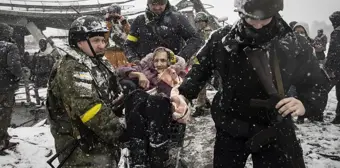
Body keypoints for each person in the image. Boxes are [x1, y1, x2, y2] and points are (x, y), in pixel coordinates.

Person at [171, 0, 328, 167]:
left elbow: (315, 82)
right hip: (230, 122)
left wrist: (305, 103)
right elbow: (198, 70)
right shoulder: (221, 39)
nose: (258, 25)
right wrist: (183, 94)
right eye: (252, 18)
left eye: (265, 18)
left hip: (275, 124)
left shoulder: (294, 43)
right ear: (240, 13)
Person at [46, 16, 124, 167]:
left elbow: (112, 90)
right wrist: (120, 132)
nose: (102, 45)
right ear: (79, 42)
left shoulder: (97, 60)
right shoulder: (73, 67)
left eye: (103, 40)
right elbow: (89, 108)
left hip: (99, 141)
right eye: (96, 40)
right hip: (81, 148)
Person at [118, 47, 188, 167]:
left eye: (163, 60)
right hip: (143, 111)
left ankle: (157, 153)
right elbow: (120, 70)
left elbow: (179, 95)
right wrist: (139, 74)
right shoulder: (146, 69)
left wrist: (164, 80)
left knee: (157, 100)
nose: (159, 64)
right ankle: (138, 154)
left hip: (163, 110)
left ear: (169, 62)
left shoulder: (177, 74)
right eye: (156, 61)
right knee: (136, 95)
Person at [124, 0, 203, 63]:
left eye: (161, 4)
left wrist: (182, 57)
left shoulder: (178, 19)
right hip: (146, 70)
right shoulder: (139, 20)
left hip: (172, 69)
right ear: (148, 4)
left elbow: (195, 39)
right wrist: (134, 60)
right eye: (154, 4)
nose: (157, 7)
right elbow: (129, 45)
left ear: (166, 3)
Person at [0, 23, 22, 155]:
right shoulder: (9, 47)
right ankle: (2, 143)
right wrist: (19, 75)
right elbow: (14, 66)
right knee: (4, 114)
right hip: (5, 86)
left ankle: (4, 139)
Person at [324, 11, 340, 124]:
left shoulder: (336, 33)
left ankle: (315, 111)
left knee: (323, 89)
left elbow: (332, 52)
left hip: (336, 68)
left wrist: (328, 67)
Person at [104, 4, 130, 68]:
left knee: (124, 72)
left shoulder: (124, 22)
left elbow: (131, 34)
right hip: (109, 53)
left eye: (116, 12)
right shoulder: (104, 24)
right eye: (111, 12)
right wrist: (107, 21)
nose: (114, 14)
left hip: (123, 53)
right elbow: (104, 38)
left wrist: (123, 21)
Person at [31, 38, 55, 105]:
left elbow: (53, 64)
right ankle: (38, 103)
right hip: (38, 75)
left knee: (46, 90)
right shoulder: (36, 54)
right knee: (36, 89)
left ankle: (46, 104)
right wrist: (33, 72)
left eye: (43, 43)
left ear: (45, 44)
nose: (41, 45)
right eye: (40, 44)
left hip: (47, 75)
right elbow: (33, 64)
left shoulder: (50, 54)